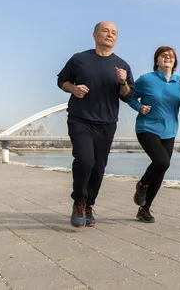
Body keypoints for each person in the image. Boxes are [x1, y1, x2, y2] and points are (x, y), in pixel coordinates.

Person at [57, 21, 134, 228]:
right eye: (105, 31)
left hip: (107, 123)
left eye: (114, 33)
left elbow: (127, 96)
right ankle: (79, 201)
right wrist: (73, 88)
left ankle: (89, 204)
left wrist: (123, 82)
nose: (110, 35)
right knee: (85, 161)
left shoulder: (123, 66)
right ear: (95, 35)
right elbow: (61, 81)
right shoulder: (79, 59)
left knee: (99, 167)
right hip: (80, 118)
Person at [128, 46, 180, 223]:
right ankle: (142, 184)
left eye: (171, 56)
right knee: (162, 162)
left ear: (175, 62)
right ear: (157, 60)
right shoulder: (146, 79)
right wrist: (139, 107)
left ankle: (144, 209)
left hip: (169, 131)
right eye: (163, 55)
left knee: (161, 170)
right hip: (147, 127)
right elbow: (130, 97)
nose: (167, 57)